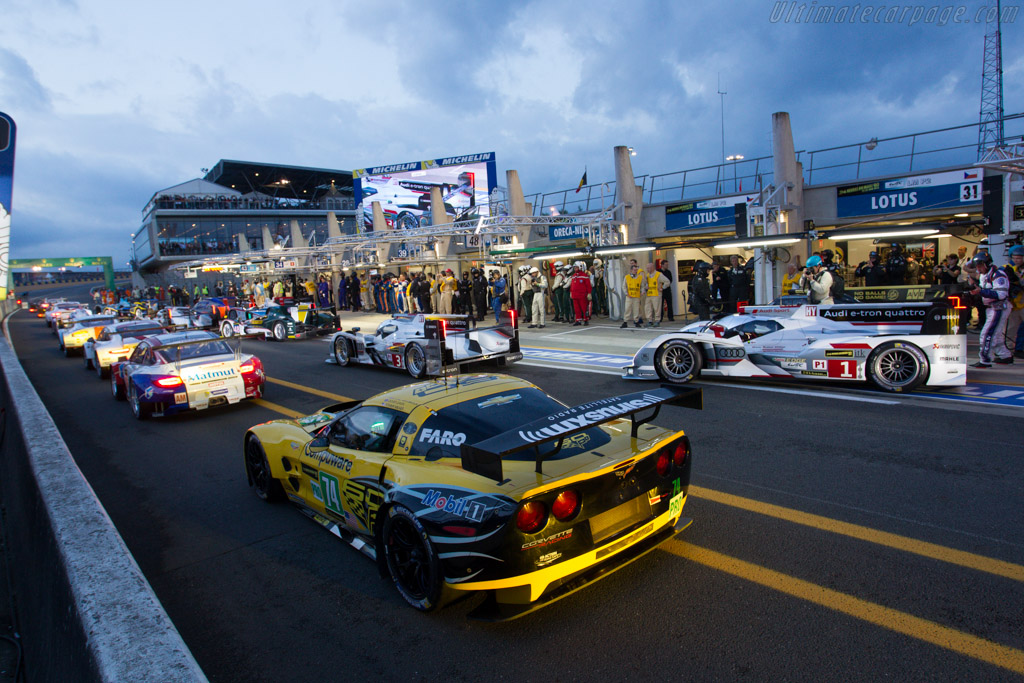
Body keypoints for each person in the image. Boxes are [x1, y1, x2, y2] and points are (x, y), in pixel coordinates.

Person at [966, 252, 1013, 367]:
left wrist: (980, 291)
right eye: (977, 265)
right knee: (995, 335)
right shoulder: (984, 275)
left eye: (980, 265)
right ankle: (1005, 356)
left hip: (998, 308)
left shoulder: (998, 275)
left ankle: (985, 360)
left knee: (987, 334)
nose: (978, 268)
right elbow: (985, 290)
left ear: (987, 264)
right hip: (991, 308)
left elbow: (1001, 294)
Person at [1004, 245, 1024, 359]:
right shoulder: (1009, 269)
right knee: (1010, 330)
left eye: (1019, 258)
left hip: (1021, 304)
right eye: (1015, 258)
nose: (1016, 260)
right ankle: (1008, 352)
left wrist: (1019, 280)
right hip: (1014, 305)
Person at [644, 262, 669, 327]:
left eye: (648, 268)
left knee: (657, 308)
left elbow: (667, 281)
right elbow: (646, 283)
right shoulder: (647, 275)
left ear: (652, 268)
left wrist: (662, 288)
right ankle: (649, 321)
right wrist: (646, 287)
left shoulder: (658, 274)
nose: (647, 269)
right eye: (647, 268)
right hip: (649, 294)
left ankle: (657, 320)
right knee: (648, 308)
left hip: (656, 294)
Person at [621, 261, 646, 328]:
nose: (635, 271)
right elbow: (623, 286)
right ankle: (625, 322)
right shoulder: (627, 277)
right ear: (631, 270)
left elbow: (642, 286)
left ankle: (636, 321)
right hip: (629, 296)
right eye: (634, 270)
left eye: (636, 270)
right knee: (627, 309)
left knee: (636, 310)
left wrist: (642, 291)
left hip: (637, 296)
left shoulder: (640, 277)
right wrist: (626, 293)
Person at [569, 261, 593, 326]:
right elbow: (572, 285)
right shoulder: (573, 276)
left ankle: (586, 319)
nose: (575, 269)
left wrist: (589, 293)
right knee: (576, 309)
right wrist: (571, 292)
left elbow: (588, 285)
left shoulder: (584, 276)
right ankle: (578, 320)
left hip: (582, 295)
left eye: (576, 267)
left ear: (580, 267)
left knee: (584, 308)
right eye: (574, 268)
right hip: (575, 296)